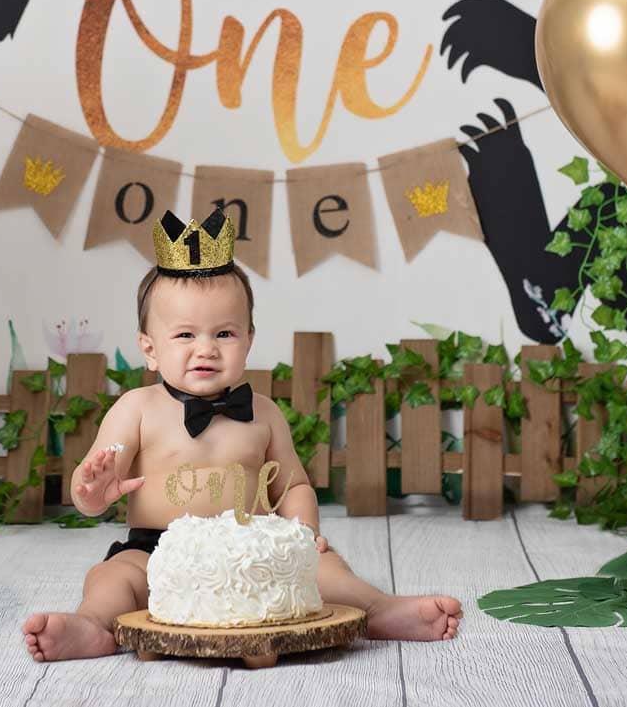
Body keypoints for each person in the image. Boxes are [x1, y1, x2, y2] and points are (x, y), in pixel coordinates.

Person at [23, 209, 462, 661]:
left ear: (249, 341)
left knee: (326, 569)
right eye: (185, 334)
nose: (206, 348)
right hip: (156, 549)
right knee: (113, 577)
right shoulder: (136, 409)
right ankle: (94, 625)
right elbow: (96, 484)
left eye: (224, 333)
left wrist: (303, 533)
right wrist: (92, 492)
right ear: (150, 348)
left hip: (257, 552)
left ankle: (378, 610)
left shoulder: (263, 413)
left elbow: (294, 485)